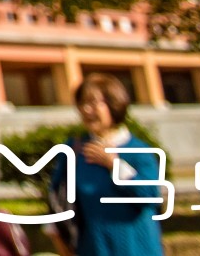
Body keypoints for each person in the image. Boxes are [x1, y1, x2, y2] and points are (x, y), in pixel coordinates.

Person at [55, 73, 165, 256]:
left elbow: (150, 196)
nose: (86, 110)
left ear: (114, 105)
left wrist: (114, 164)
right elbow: (57, 203)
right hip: (93, 248)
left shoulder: (138, 150)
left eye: (93, 103)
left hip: (138, 248)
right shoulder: (73, 151)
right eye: (82, 103)